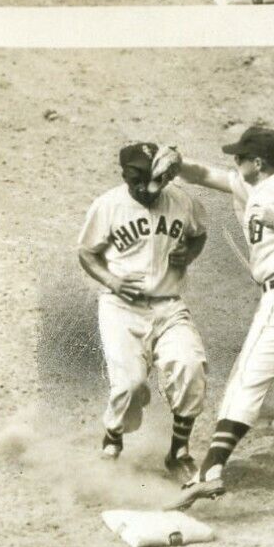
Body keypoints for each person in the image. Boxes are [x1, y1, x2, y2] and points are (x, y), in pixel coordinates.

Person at [159, 126, 274, 506]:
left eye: (239, 157)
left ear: (257, 163)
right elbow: (206, 175)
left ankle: (209, 471)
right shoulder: (254, 187)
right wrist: (178, 163)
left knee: (247, 377)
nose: (234, 162)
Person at [76, 142, 209, 477]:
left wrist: (188, 256)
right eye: (138, 182)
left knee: (190, 366)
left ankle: (179, 452)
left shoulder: (181, 200)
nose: (147, 189)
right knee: (130, 384)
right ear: (125, 176)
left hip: (168, 305)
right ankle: (113, 435)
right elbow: (87, 253)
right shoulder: (107, 205)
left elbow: (199, 234)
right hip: (121, 307)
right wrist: (113, 281)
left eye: (154, 181)